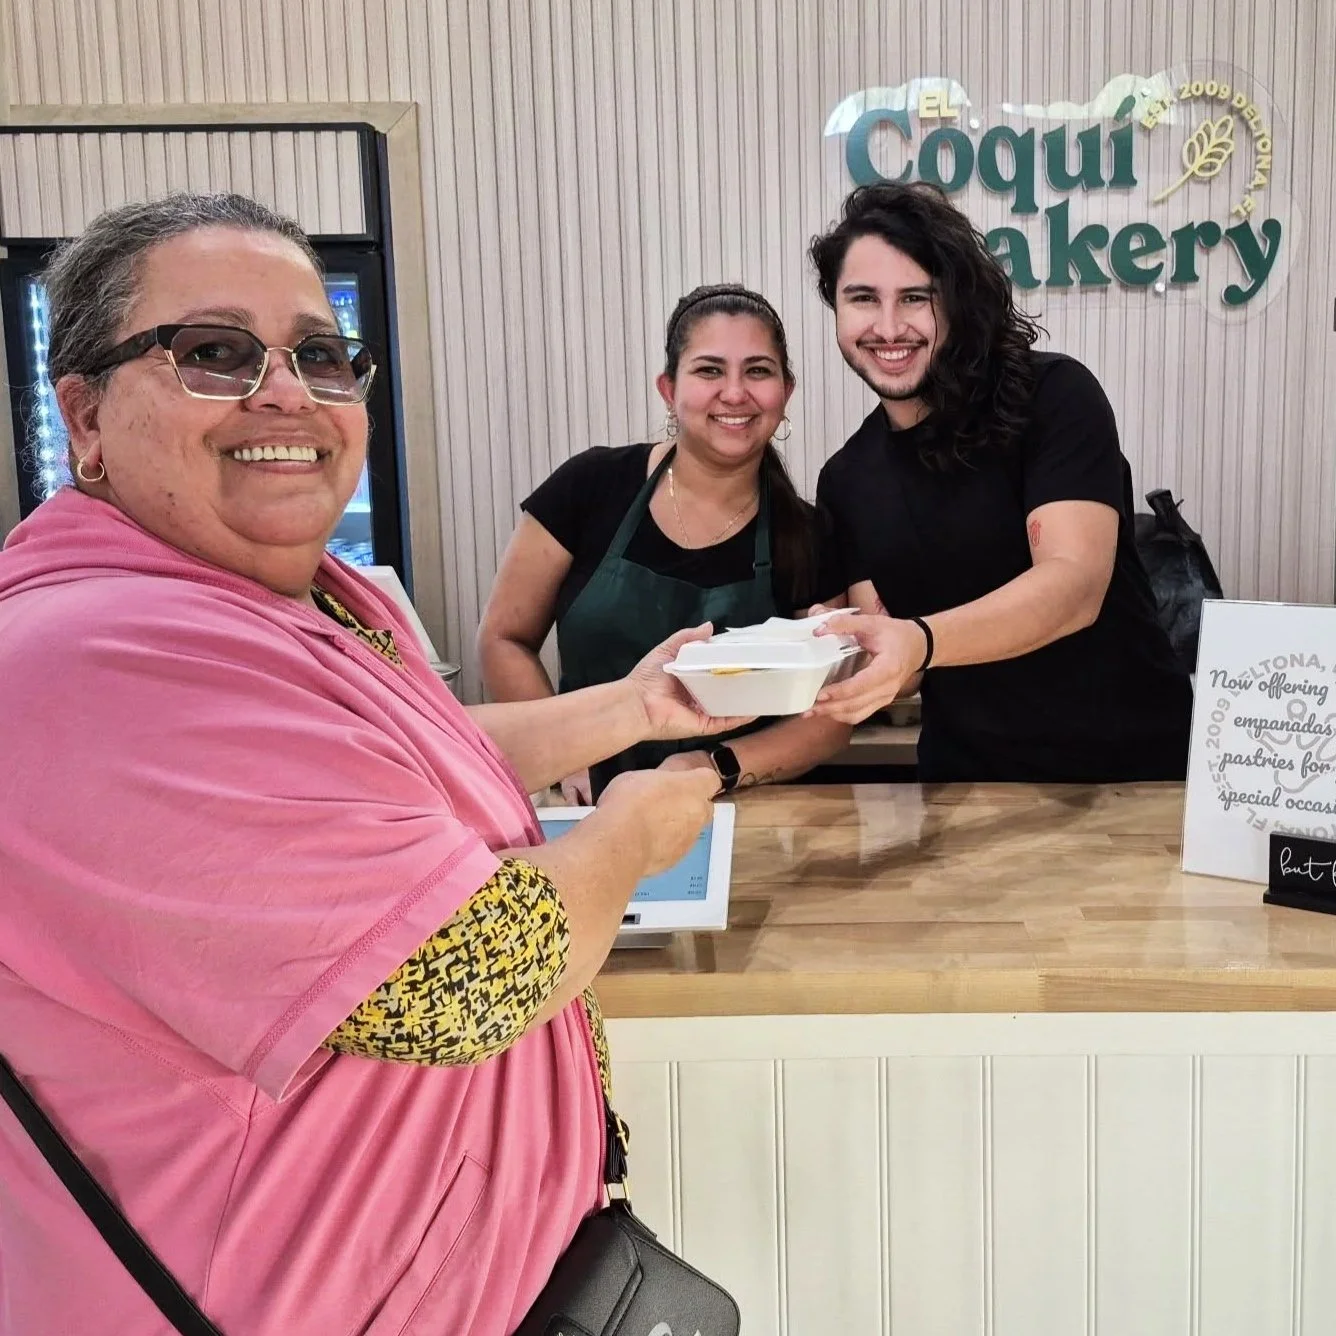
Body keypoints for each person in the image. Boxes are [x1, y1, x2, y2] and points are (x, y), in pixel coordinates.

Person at [0, 193, 744, 1336]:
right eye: (213, 353)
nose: (288, 393)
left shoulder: (269, 597)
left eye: (321, 354)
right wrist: (634, 829)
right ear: (84, 417)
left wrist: (634, 704)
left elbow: (393, 763)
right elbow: (471, 975)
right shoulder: (100, 658)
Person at [804, 182, 1193, 782]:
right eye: (862, 299)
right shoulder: (847, 478)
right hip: (967, 784)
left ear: (956, 302)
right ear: (836, 306)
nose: (888, 326)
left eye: (916, 297)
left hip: (1132, 776)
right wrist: (835, 649)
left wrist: (921, 640)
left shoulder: (1053, 396)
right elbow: (900, 663)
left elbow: (1074, 587)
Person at [477, 283, 849, 802]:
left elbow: (828, 717)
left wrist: (712, 766)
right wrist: (567, 755)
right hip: (585, 801)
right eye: (709, 370)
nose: (735, 392)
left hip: (735, 805)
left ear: (786, 391)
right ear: (669, 389)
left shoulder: (809, 534)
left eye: (758, 371)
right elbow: (504, 640)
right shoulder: (590, 486)